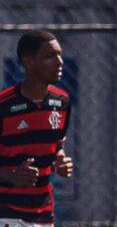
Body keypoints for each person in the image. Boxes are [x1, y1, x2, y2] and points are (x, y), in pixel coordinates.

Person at [0, 30, 73, 226]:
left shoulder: (62, 102)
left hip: (43, 213)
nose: (60, 62)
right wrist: (11, 176)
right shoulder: (4, 106)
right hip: (6, 212)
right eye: (50, 56)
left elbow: (57, 146)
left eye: (59, 54)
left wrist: (60, 160)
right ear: (28, 62)